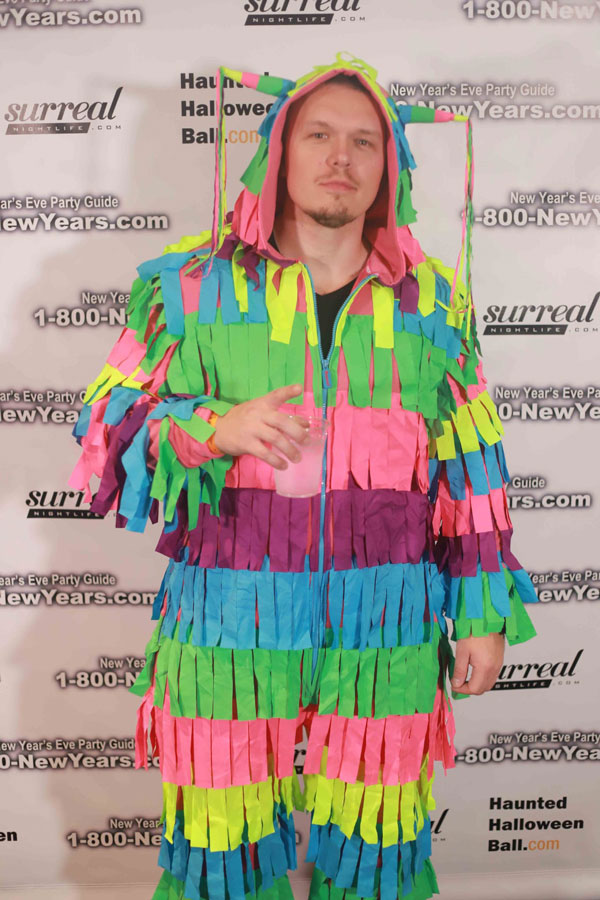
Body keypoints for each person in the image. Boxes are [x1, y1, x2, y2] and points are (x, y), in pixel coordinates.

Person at [70, 54, 539, 900]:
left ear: (390, 167)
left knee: (378, 854)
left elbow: (472, 468)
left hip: (387, 629)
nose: (340, 158)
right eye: (319, 134)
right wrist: (210, 428)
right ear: (278, 151)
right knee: (220, 856)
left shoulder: (435, 304)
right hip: (225, 626)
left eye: (365, 141)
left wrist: (481, 612)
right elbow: (105, 425)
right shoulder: (190, 285)